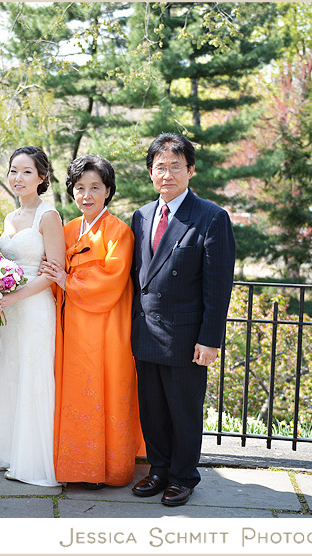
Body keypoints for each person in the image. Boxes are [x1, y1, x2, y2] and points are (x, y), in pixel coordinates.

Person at [130, 133, 235, 506]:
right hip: (146, 331)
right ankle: (158, 470)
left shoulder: (211, 217)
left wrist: (210, 339)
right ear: (150, 172)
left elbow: (218, 287)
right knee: (153, 410)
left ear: (191, 170)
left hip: (186, 336)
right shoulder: (141, 216)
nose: (167, 175)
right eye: (160, 167)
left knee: (184, 411)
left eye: (176, 166)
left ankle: (183, 477)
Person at [42, 154, 144, 490]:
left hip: (106, 327)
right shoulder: (68, 229)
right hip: (71, 325)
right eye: (80, 187)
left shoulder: (120, 233)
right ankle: (75, 465)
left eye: (95, 188)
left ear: (108, 191)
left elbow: (110, 281)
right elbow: (50, 268)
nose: (87, 195)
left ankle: (105, 468)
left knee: (104, 390)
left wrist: (66, 280)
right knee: (75, 392)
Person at [0, 146, 65, 487]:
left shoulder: (48, 216)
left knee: (32, 373)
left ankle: (32, 461)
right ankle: (8, 451)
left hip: (35, 307)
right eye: (14, 170)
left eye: (27, 171)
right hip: (10, 310)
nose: (18, 177)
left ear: (41, 177)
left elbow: (53, 273)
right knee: (10, 371)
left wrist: (12, 297)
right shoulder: (11, 218)